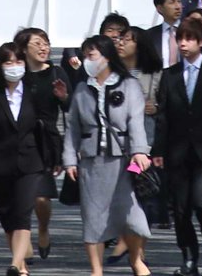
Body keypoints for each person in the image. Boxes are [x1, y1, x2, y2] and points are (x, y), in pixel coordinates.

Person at [63, 34, 152, 276]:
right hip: (92, 162)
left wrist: (139, 151)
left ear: (106, 56)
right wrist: (70, 159)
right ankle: (96, 269)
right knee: (93, 216)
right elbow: (73, 128)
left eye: (91, 55)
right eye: (85, 55)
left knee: (130, 213)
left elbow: (136, 121)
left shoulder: (128, 85)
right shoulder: (82, 88)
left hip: (125, 160)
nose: (87, 60)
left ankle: (136, 259)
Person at [152, 18, 202, 275]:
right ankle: (188, 257)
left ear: (200, 41)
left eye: (189, 39)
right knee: (180, 207)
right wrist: (159, 151)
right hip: (177, 151)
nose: (183, 44)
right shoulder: (170, 74)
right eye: (180, 39)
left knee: (201, 201)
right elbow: (163, 116)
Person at [0, 43, 57, 276]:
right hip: (1, 162)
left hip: (31, 160)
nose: (14, 67)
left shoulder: (34, 91)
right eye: (8, 62)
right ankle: (21, 265)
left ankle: (16, 264)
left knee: (23, 212)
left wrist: (56, 156)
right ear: (0, 66)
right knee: (6, 214)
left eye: (18, 61)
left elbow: (48, 125)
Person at [13, 28, 68, 262]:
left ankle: (43, 228)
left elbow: (70, 109)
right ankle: (24, 243)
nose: (44, 47)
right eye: (37, 43)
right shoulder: (16, 73)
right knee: (21, 197)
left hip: (46, 141)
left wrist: (64, 97)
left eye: (46, 43)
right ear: (24, 49)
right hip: (18, 140)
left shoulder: (56, 72)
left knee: (41, 198)